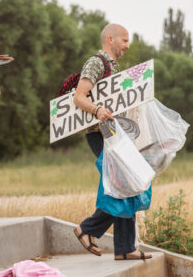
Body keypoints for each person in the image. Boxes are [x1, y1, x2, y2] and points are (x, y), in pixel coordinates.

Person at [72, 24, 152, 260]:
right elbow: (79, 97)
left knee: (127, 184)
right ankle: (87, 229)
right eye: (125, 40)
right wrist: (97, 110)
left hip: (114, 134)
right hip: (99, 133)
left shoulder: (113, 67)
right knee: (123, 184)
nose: (128, 45)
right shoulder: (96, 62)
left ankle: (125, 248)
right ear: (110, 39)